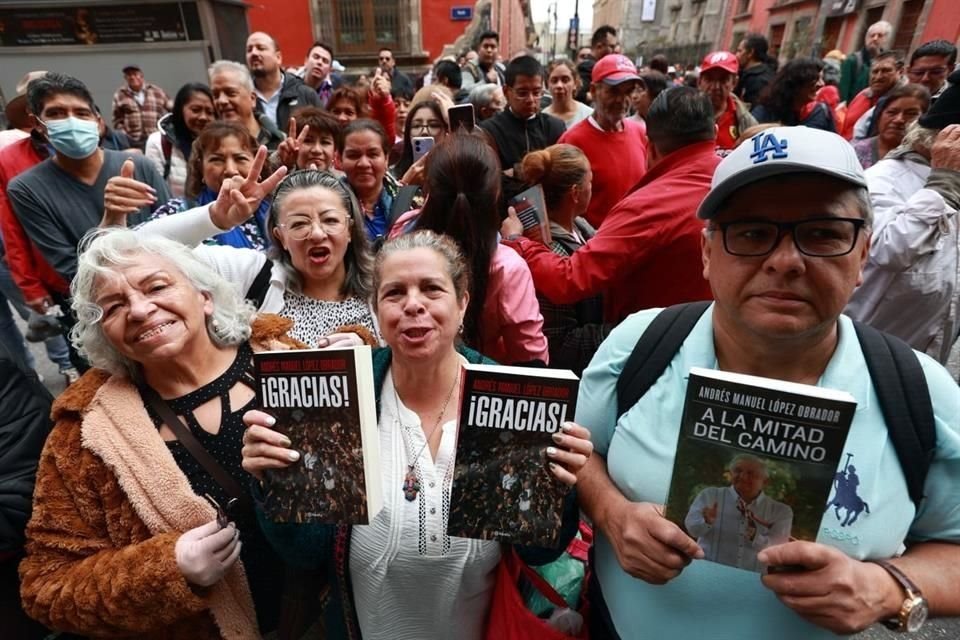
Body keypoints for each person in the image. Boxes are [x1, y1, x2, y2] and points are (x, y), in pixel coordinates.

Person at [576, 125, 960, 639]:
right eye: (752, 233)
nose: (785, 261)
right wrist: (612, 512)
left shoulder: (919, 394)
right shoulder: (639, 346)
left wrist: (888, 589)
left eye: (823, 233)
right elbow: (579, 455)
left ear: (863, 254)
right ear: (708, 253)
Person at [240, 229, 593, 639]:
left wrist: (559, 488)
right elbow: (304, 551)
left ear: (462, 303)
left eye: (431, 289)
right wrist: (272, 480)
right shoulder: (339, 396)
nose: (413, 305)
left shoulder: (511, 403)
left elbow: (538, 551)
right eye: (394, 293)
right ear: (376, 308)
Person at [18, 228, 297, 638]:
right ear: (104, 332)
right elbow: (47, 584)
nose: (139, 309)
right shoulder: (85, 434)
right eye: (112, 306)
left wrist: (367, 357)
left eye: (157, 286)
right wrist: (168, 570)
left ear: (204, 295)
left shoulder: (291, 359)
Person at [104, 149, 379, 350]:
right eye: (299, 224)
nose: (317, 234)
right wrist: (215, 218)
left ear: (350, 229)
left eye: (330, 220)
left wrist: (373, 351)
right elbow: (139, 250)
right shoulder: (252, 274)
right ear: (279, 236)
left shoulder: (385, 287)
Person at [502, 87, 717, 325]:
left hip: (657, 340)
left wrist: (517, 241)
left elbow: (569, 279)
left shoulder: (650, 206)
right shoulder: (736, 182)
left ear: (650, 146)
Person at [8, 73, 169, 287]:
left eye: (81, 113)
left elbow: (175, 239)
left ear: (98, 121)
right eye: (56, 113)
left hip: (162, 287)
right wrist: (109, 224)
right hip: (99, 305)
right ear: (37, 124)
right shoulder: (26, 189)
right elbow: (72, 271)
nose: (71, 121)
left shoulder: (139, 166)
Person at [401, 134, 548, 365]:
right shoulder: (507, 268)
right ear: (496, 193)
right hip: (483, 393)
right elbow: (532, 364)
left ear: (427, 188)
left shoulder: (401, 234)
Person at [846, 79, 960, 364]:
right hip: (864, 360)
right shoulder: (884, 179)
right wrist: (942, 189)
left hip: (924, 364)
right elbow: (887, 249)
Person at [518, 144, 608, 374]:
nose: (592, 188)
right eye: (590, 182)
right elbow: (561, 345)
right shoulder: (551, 253)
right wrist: (619, 332)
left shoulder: (580, 227)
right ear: (576, 193)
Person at [146, 121, 273, 250]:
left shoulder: (276, 212)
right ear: (201, 168)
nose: (230, 170)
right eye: (217, 159)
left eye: (240, 158)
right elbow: (135, 245)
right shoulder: (178, 211)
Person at [558, 54, 648, 229]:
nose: (622, 99)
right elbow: (559, 208)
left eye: (628, 91)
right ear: (593, 91)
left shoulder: (640, 134)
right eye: (614, 91)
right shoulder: (571, 142)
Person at [684, 455, 793, 572]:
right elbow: (692, 531)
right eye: (738, 471)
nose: (743, 476)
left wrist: (756, 538)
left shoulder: (780, 511)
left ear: (765, 482)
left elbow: (778, 551)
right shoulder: (710, 495)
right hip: (707, 572)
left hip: (751, 580)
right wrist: (706, 522)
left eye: (751, 473)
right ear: (731, 474)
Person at [479, 56, 565, 179]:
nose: (530, 100)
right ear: (506, 92)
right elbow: (488, 179)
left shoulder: (555, 127)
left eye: (536, 93)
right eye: (522, 93)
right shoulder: (489, 131)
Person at [338, 119, 406, 245]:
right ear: (340, 160)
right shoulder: (329, 205)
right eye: (353, 155)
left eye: (373, 154)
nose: (364, 164)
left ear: (386, 159)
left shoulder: (410, 202)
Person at [144, 83, 215, 197]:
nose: (203, 117)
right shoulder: (158, 142)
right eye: (196, 110)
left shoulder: (219, 143)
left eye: (210, 112)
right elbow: (155, 194)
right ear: (180, 110)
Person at [245, 31, 320, 129]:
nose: (253, 53)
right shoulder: (244, 98)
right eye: (249, 50)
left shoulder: (305, 94)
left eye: (261, 48)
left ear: (278, 57)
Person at [209, 60, 285, 150]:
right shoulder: (208, 145)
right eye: (215, 95)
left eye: (230, 93)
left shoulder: (281, 143)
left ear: (252, 98)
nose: (221, 101)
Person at [851, 83, 929, 169]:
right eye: (891, 112)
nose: (899, 119)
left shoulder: (928, 159)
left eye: (910, 114)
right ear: (879, 117)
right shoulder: (854, 152)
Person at [752, 58, 835, 132]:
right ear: (796, 83)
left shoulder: (821, 112)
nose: (822, 84)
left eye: (822, 78)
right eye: (815, 79)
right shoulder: (766, 111)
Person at [698, 51, 758, 152]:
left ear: (734, 82)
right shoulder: (685, 114)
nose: (715, 87)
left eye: (723, 80)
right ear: (699, 81)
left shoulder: (745, 121)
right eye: (709, 79)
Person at [841, 50, 904, 140]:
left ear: (900, 72)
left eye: (886, 71)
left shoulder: (907, 102)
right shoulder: (862, 96)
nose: (878, 77)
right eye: (875, 71)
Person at [110, 64, 171, 150]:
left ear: (141, 76)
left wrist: (165, 130)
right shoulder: (120, 94)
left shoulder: (157, 91)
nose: (132, 77)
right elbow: (117, 119)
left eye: (135, 74)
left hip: (154, 138)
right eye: (129, 75)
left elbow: (171, 109)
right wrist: (123, 135)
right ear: (125, 78)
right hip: (131, 141)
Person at [390, 99, 448, 186]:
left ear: (446, 132)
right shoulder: (392, 175)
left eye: (433, 125)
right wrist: (406, 185)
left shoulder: (455, 172)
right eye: (417, 126)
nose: (424, 132)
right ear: (408, 134)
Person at [273, 106, 341, 173]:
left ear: (335, 150)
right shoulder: (276, 180)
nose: (317, 150)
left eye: (325, 142)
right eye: (307, 141)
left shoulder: (344, 183)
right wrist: (281, 162)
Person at [840, 20, 892, 103]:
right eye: (872, 35)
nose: (875, 39)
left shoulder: (889, 64)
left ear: (886, 39)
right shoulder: (852, 61)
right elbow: (842, 96)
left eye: (880, 36)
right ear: (866, 38)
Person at [327, 85, 397, 143]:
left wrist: (384, 100)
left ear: (359, 116)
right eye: (336, 112)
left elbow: (386, 137)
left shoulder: (367, 143)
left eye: (349, 113)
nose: (341, 118)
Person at [543, 60, 593, 129]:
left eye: (565, 80)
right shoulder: (542, 118)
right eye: (554, 81)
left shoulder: (589, 115)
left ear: (575, 83)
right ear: (547, 85)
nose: (559, 85)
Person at [734, 33, 776, 108]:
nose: (736, 55)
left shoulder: (759, 81)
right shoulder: (746, 74)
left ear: (750, 53)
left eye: (739, 51)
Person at [301, 41, 341, 106]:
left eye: (325, 61)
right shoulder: (290, 88)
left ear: (329, 70)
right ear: (306, 61)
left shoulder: (331, 98)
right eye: (316, 57)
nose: (320, 62)